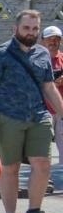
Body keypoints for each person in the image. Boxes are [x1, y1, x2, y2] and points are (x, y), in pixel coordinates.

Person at [0, 9, 63, 213]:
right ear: (15, 28)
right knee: (10, 167)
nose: (30, 33)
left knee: (42, 164)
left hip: (38, 116)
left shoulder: (42, 55)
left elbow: (49, 88)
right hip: (7, 116)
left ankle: (34, 211)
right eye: (26, 28)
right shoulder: (0, 54)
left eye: (34, 29)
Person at [46, 25, 63, 163]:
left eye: (56, 39)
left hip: (61, 110)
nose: (53, 42)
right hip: (43, 111)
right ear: (43, 41)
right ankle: (45, 176)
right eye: (50, 39)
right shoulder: (36, 59)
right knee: (42, 147)